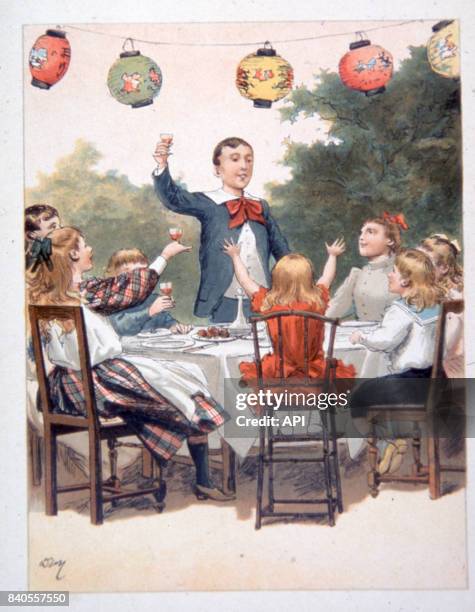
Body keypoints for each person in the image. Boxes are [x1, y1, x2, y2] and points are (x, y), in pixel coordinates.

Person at [27, 227, 235, 502]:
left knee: (182, 378)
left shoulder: (68, 294)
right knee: (179, 397)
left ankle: (187, 477)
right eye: (85, 245)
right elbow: (88, 350)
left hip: (72, 385)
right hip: (92, 383)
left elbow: (124, 290)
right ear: (74, 253)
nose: (90, 250)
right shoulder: (78, 297)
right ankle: (197, 479)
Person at [152, 136, 290, 323]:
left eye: (249, 160)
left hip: (264, 298)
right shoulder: (208, 202)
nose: (244, 166)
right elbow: (173, 199)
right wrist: (162, 165)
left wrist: (298, 282)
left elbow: (282, 251)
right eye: (235, 159)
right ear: (217, 170)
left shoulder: (260, 206)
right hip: (224, 300)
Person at [348, 249, 444, 474]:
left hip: (407, 385)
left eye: (394, 271)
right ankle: (393, 439)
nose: (389, 275)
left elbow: (384, 340)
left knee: (358, 398)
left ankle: (389, 441)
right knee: (378, 385)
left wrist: (361, 337)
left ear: (406, 280)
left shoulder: (400, 309)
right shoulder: (437, 306)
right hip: (434, 382)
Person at [222, 238, 355, 383]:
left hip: (279, 372)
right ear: (308, 277)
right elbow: (327, 277)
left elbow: (245, 280)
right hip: (315, 372)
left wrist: (235, 256)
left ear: (277, 278)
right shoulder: (317, 300)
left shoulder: (269, 302)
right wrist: (333, 256)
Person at [327, 212, 407, 321]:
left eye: (370, 232)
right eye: (361, 232)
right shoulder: (357, 274)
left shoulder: (403, 271)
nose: (361, 238)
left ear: (390, 240)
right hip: (358, 334)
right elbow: (333, 310)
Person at [105, 247, 193, 336]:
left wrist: (174, 326)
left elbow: (165, 320)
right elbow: (122, 328)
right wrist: (150, 311)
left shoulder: (151, 298)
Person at [418, 234, 464, 378]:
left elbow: (446, 347)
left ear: (443, 268)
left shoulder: (451, 300)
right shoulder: (425, 294)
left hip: (447, 375)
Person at [25, 204, 61, 269]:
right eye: (53, 227)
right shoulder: (29, 265)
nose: (61, 231)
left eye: (60, 226)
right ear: (31, 236)